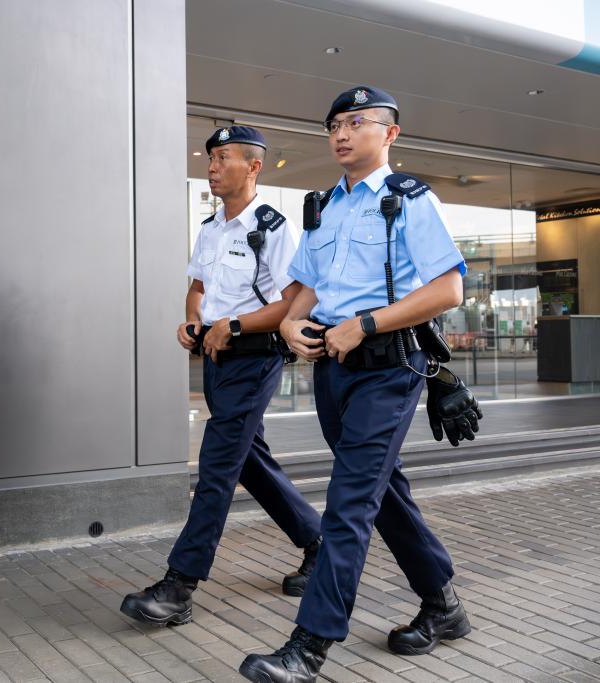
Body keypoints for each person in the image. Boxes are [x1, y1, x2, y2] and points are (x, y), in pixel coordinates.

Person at [239, 87, 475, 683]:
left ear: (389, 133)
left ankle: (309, 646)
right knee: (380, 491)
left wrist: (365, 324)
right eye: (334, 125)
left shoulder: (409, 199)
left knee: (348, 504)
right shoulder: (325, 207)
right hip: (333, 370)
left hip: (390, 370)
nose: (342, 134)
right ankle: (443, 605)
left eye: (356, 122)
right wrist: (290, 323)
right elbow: (307, 287)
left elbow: (448, 289)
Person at [120, 126, 322, 627]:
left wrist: (232, 324)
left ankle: (180, 584)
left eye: (223, 157)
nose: (211, 166)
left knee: (216, 464)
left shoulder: (272, 227)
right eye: (210, 157)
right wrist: (193, 320)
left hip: (254, 359)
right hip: (216, 361)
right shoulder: (211, 227)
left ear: (253, 166)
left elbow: (292, 304)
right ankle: (319, 543)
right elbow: (198, 287)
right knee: (248, 460)